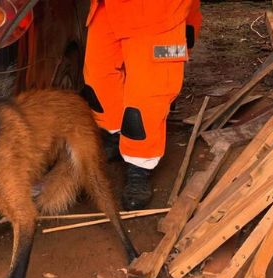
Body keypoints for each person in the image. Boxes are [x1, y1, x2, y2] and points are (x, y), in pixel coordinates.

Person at [81, 0, 202, 210]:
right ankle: (115, 133)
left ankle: (139, 164)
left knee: (146, 98)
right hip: (109, 9)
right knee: (99, 81)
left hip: (158, 14)